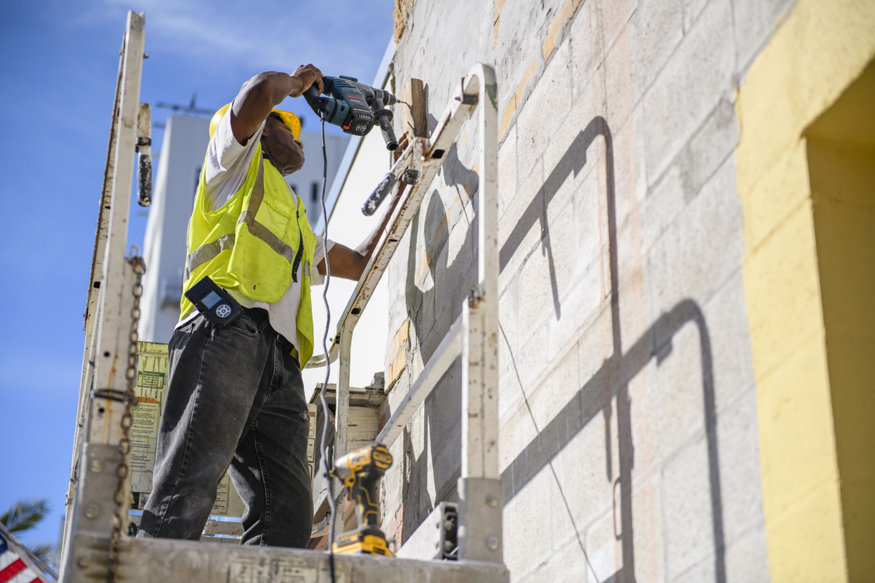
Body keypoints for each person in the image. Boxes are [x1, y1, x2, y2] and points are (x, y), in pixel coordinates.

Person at [137, 65, 394, 547]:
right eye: (287, 123)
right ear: (261, 129)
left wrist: (403, 182)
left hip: (280, 365)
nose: (298, 135)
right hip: (224, 333)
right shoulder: (230, 166)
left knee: (286, 520)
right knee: (186, 491)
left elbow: (358, 261)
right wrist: (297, 85)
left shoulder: (294, 211)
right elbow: (257, 91)